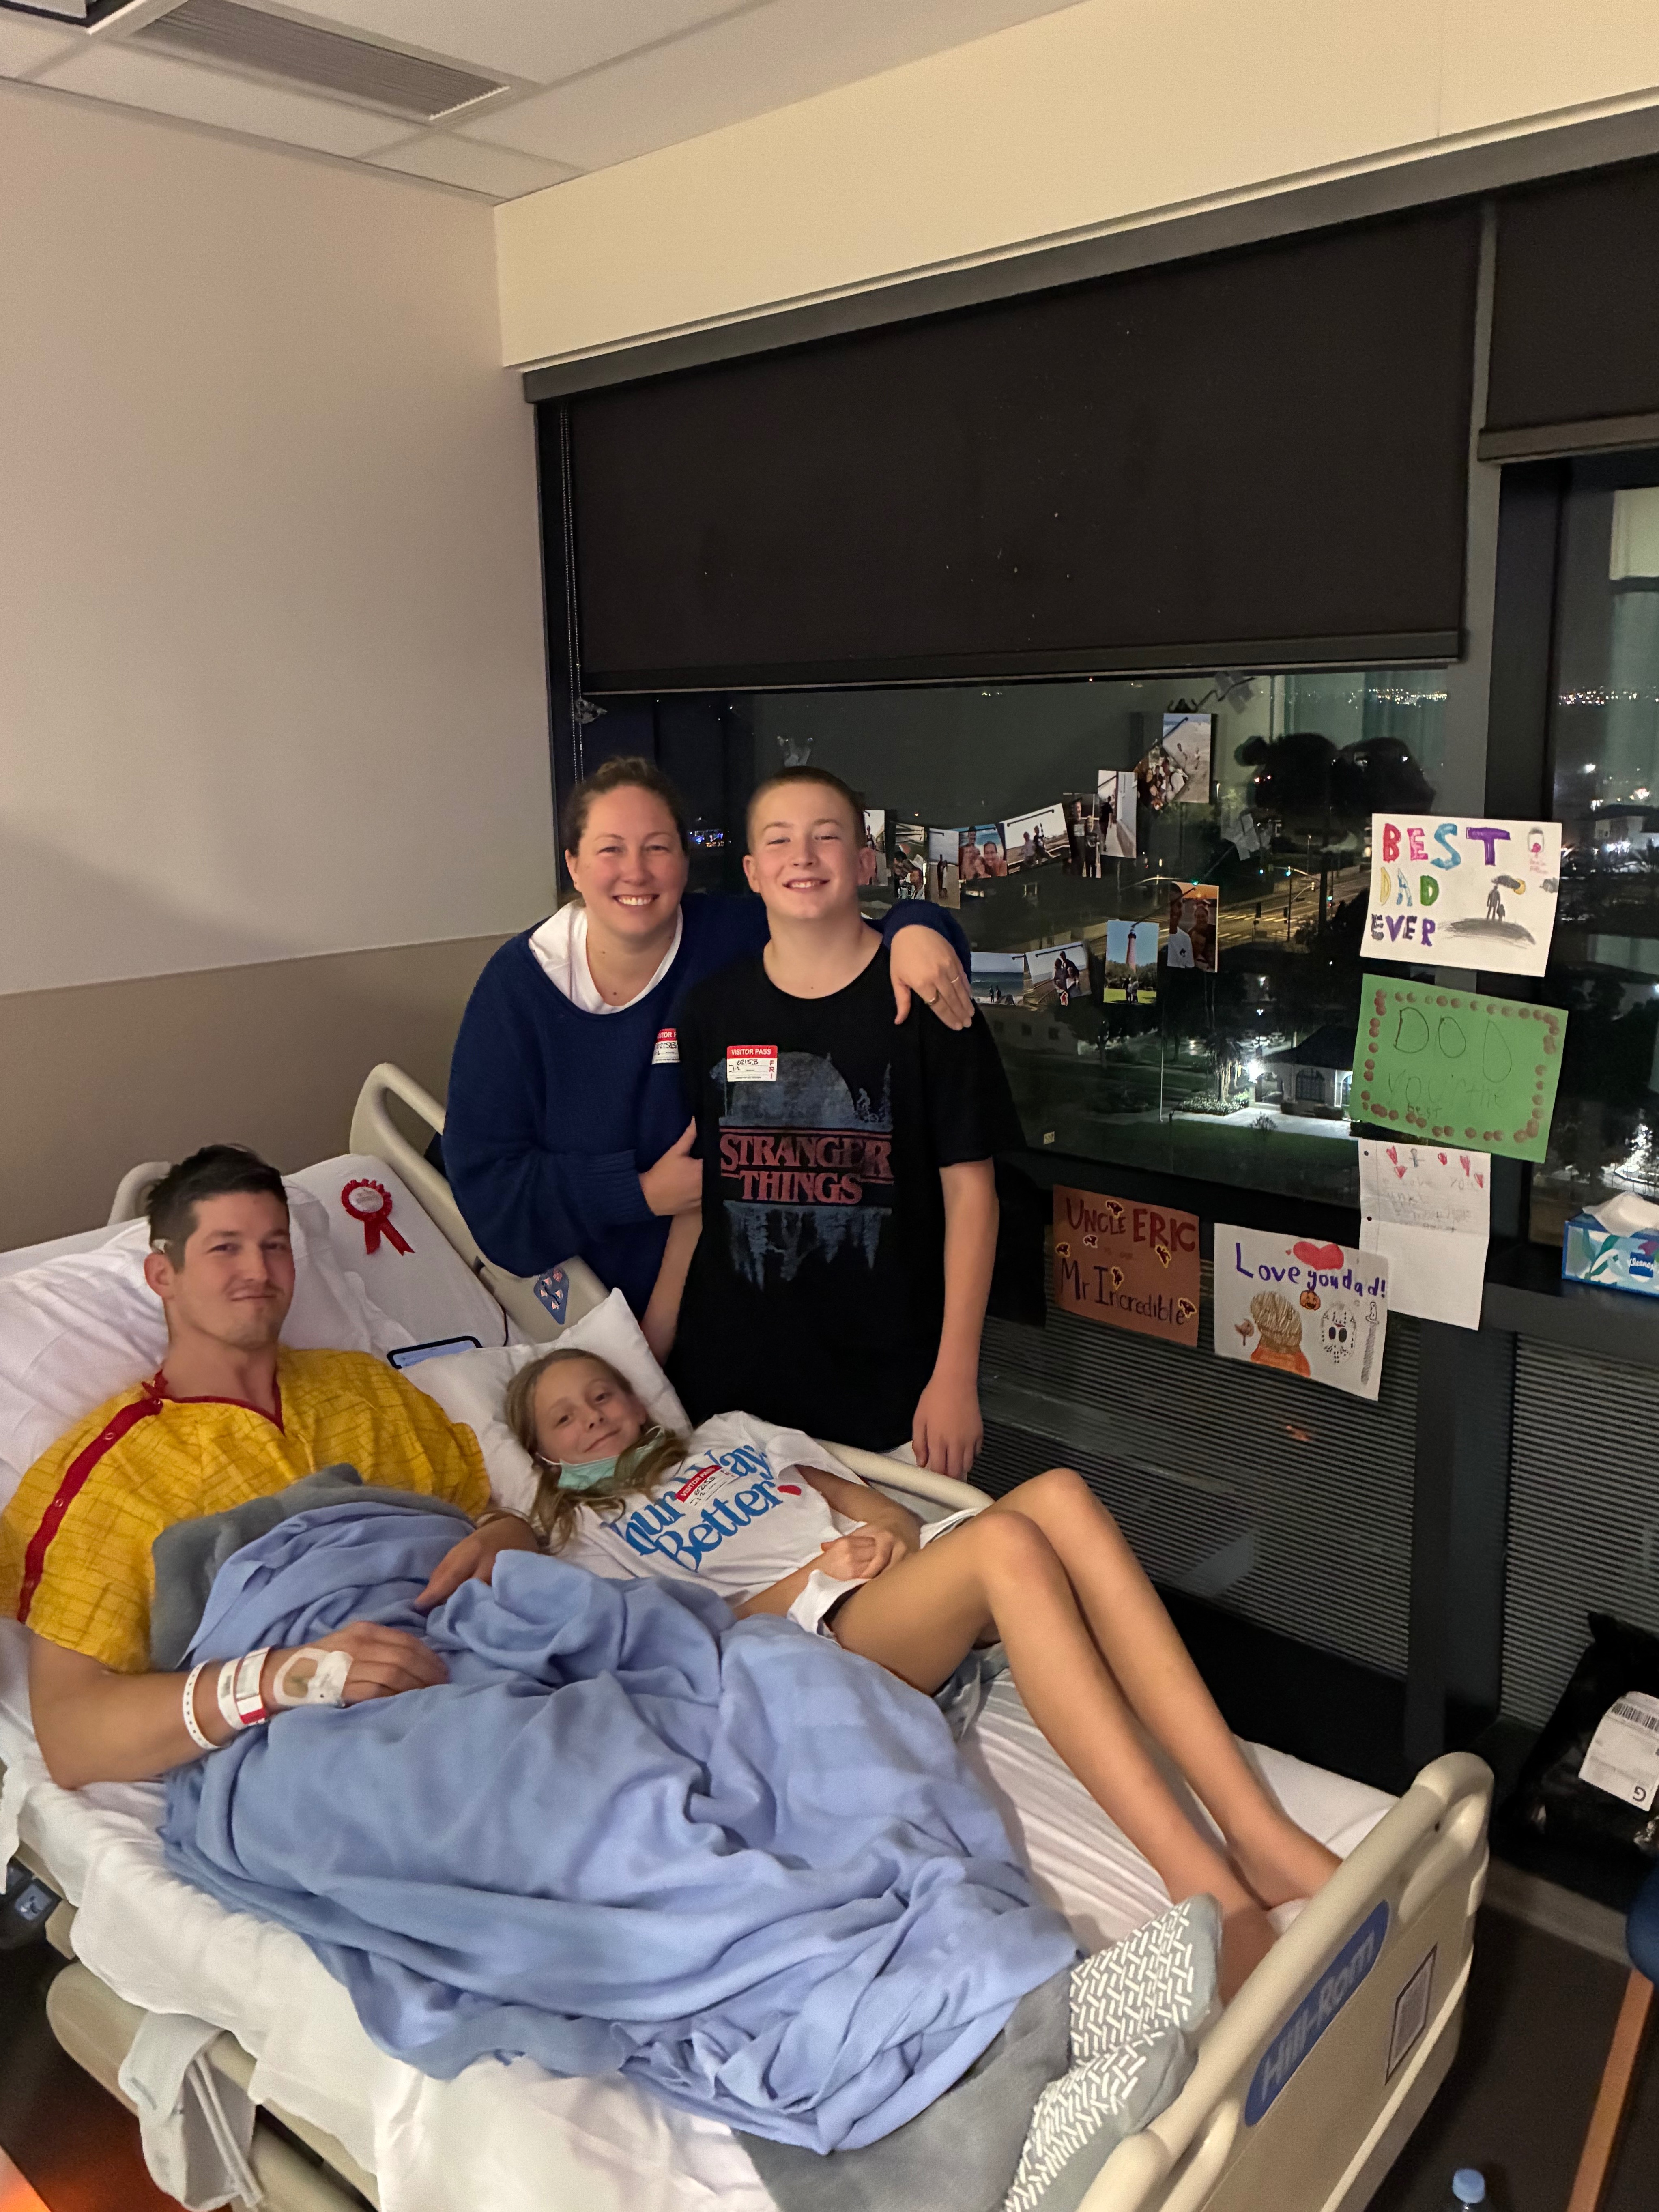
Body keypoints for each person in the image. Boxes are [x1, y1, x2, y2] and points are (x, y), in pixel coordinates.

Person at [419, 1347, 1341, 1999]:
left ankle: (1254, 1829)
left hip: (887, 1585)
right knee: (1006, 1544)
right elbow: (685, 1642)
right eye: (566, 1418)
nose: (595, 1417)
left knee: (1058, 1495)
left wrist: (885, 1542)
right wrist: (816, 1575)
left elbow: (883, 1513)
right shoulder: (586, 1538)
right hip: (803, 1640)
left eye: (604, 1393)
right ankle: (1206, 1887)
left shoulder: (731, 1434)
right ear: (542, 1456)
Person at [0, 1145, 535, 1791]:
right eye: (225, 1247)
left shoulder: (368, 1388)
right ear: (163, 1274)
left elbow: (477, 1514)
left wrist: (510, 1534)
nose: (258, 1270)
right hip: (343, 1753)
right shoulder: (111, 1474)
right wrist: (296, 1675)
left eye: (275, 1246)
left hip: (483, 1668)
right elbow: (72, 1735)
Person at [444, 758, 972, 1319]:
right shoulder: (518, 990)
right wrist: (641, 1192)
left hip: (742, 1287)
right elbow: (491, 1195)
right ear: (574, 865)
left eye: (657, 848)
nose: (636, 872)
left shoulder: (731, 937)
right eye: (610, 849)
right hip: (582, 1309)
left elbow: (859, 939)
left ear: (684, 862)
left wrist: (916, 928)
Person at [643, 767, 1020, 1474]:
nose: (803, 857)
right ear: (752, 872)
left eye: (826, 837)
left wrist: (954, 1375)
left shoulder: (928, 1003)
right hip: (728, 1397)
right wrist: (649, 1354)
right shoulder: (710, 1010)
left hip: (891, 1395)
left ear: (865, 862)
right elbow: (704, 1200)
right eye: (779, 840)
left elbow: (972, 1196)